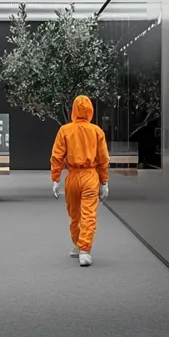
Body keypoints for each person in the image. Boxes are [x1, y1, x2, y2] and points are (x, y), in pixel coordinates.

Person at [50, 95, 110, 267]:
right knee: (88, 214)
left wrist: (55, 179)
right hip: (90, 176)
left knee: (74, 214)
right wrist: (104, 182)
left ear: (73, 110)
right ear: (91, 110)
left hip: (72, 177)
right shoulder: (97, 131)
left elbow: (57, 156)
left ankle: (78, 245)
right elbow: (103, 159)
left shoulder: (65, 130)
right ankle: (84, 249)